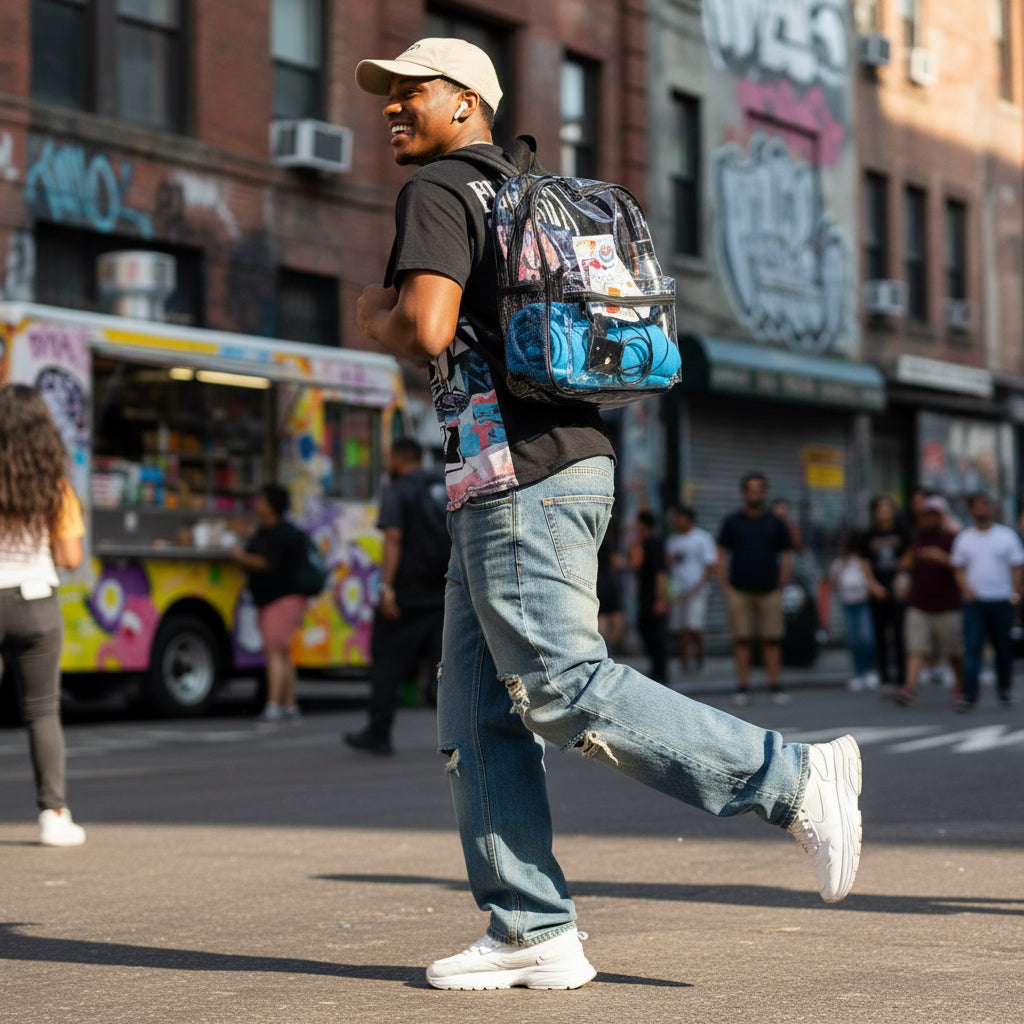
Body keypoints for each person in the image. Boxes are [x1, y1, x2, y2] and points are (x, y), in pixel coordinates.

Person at [354, 37, 861, 991]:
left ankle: (792, 779)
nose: (391, 106)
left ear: (467, 102)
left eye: (410, 91)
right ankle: (531, 928)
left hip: (518, 478)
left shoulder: (440, 190)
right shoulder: (519, 190)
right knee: (476, 716)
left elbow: (423, 325)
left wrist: (372, 318)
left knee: (557, 685)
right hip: (540, 472)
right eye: (386, 93)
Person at [0, 383, 86, 845]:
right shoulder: (54, 482)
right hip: (36, 601)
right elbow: (71, 556)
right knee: (41, 711)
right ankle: (54, 815)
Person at [345, 438, 450, 754]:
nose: (386, 462)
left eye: (389, 457)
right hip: (445, 588)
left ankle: (379, 732)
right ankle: (463, 735)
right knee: (446, 667)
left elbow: (393, 539)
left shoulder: (398, 490)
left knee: (388, 660)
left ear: (402, 459)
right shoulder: (443, 484)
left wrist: (386, 588)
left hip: (408, 592)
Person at [232, 483, 309, 722]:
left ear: (272, 505)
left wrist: (241, 557)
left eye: (262, 500)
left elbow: (267, 563)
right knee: (283, 652)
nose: (258, 504)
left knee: (274, 652)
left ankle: (274, 704)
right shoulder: (270, 530)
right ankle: (289, 703)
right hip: (281, 599)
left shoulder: (281, 534)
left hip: (282, 598)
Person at [716, 472, 794, 706]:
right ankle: (742, 687)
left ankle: (775, 686)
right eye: (750, 489)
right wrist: (725, 585)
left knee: (772, 640)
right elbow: (721, 554)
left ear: (765, 493)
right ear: (744, 493)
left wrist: (782, 583)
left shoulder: (776, 522)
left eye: (759, 489)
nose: (755, 494)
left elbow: (788, 554)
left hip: (770, 590)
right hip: (739, 590)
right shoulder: (733, 522)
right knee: (742, 640)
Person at [950, 492, 1024, 711]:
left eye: (986, 504)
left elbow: (1016, 566)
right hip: (975, 602)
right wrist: (966, 589)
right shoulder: (965, 538)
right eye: (978, 505)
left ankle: (1004, 690)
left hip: (1001, 599)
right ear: (971, 510)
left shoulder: (1006, 536)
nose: (983, 509)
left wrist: (1015, 591)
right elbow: (958, 568)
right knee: (972, 648)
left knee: (1003, 648)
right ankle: (969, 695)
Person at [897, 495, 963, 706]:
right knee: (915, 646)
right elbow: (904, 564)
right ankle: (910, 687)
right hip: (919, 602)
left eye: (933, 515)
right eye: (925, 516)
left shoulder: (954, 538)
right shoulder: (917, 538)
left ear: (942, 517)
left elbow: (963, 566)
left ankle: (960, 683)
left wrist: (940, 557)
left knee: (953, 649)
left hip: (948, 604)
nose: (928, 520)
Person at [860, 495, 911, 688]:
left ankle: (902, 676)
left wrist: (904, 570)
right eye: (880, 507)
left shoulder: (902, 531)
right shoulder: (869, 535)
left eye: (888, 507)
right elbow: (865, 563)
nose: (884, 511)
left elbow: (910, 552)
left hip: (898, 586)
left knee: (900, 633)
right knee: (880, 634)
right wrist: (873, 585)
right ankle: (885, 678)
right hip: (878, 589)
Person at [827, 531, 883, 691]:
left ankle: (870, 669)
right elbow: (832, 582)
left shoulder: (861, 561)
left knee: (866, 638)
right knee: (854, 641)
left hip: (862, 603)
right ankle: (858, 672)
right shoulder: (839, 563)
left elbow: (869, 578)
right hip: (848, 604)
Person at [664, 506, 718, 673]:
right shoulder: (672, 540)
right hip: (677, 591)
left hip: (697, 592)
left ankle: (700, 657)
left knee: (693, 627)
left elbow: (710, 565)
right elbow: (669, 567)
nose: (676, 522)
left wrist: (698, 587)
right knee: (680, 629)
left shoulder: (702, 538)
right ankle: (685, 663)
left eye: (679, 518)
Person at [630, 511, 670, 684]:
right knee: (646, 630)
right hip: (645, 595)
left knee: (656, 635)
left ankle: (661, 672)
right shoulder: (644, 543)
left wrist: (660, 599)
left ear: (643, 524)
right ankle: (656, 669)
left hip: (653, 596)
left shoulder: (655, 542)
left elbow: (660, 573)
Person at [595, 515, 626, 655]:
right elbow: (616, 562)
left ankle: (605, 648)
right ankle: (610, 647)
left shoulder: (595, 541)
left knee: (602, 618)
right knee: (616, 616)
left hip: (598, 582)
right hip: (610, 583)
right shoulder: (609, 543)